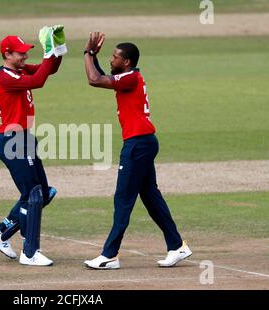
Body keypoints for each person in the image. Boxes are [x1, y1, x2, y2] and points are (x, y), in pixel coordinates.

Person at [82, 32, 192, 269]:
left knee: (123, 198)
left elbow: (93, 79)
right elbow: (101, 75)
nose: (111, 60)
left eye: (115, 57)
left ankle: (109, 255)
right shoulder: (127, 76)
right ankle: (176, 246)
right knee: (151, 197)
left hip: (137, 145)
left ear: (127, 62)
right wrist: (93, 55)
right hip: (143, 142)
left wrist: (87, 53)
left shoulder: (130, 78)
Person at [0, 34, 63, 266]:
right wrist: (49, 53)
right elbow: (38, 80)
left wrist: (57, 49)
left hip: (24, 138)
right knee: (33, 195)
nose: (26, 55)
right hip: (13, 140)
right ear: (7, 55)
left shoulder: (18, 70)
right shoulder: (6, 76)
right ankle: (30, 252)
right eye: (20, 53)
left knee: (43, 193)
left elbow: (48, 70)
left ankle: (0, 232)